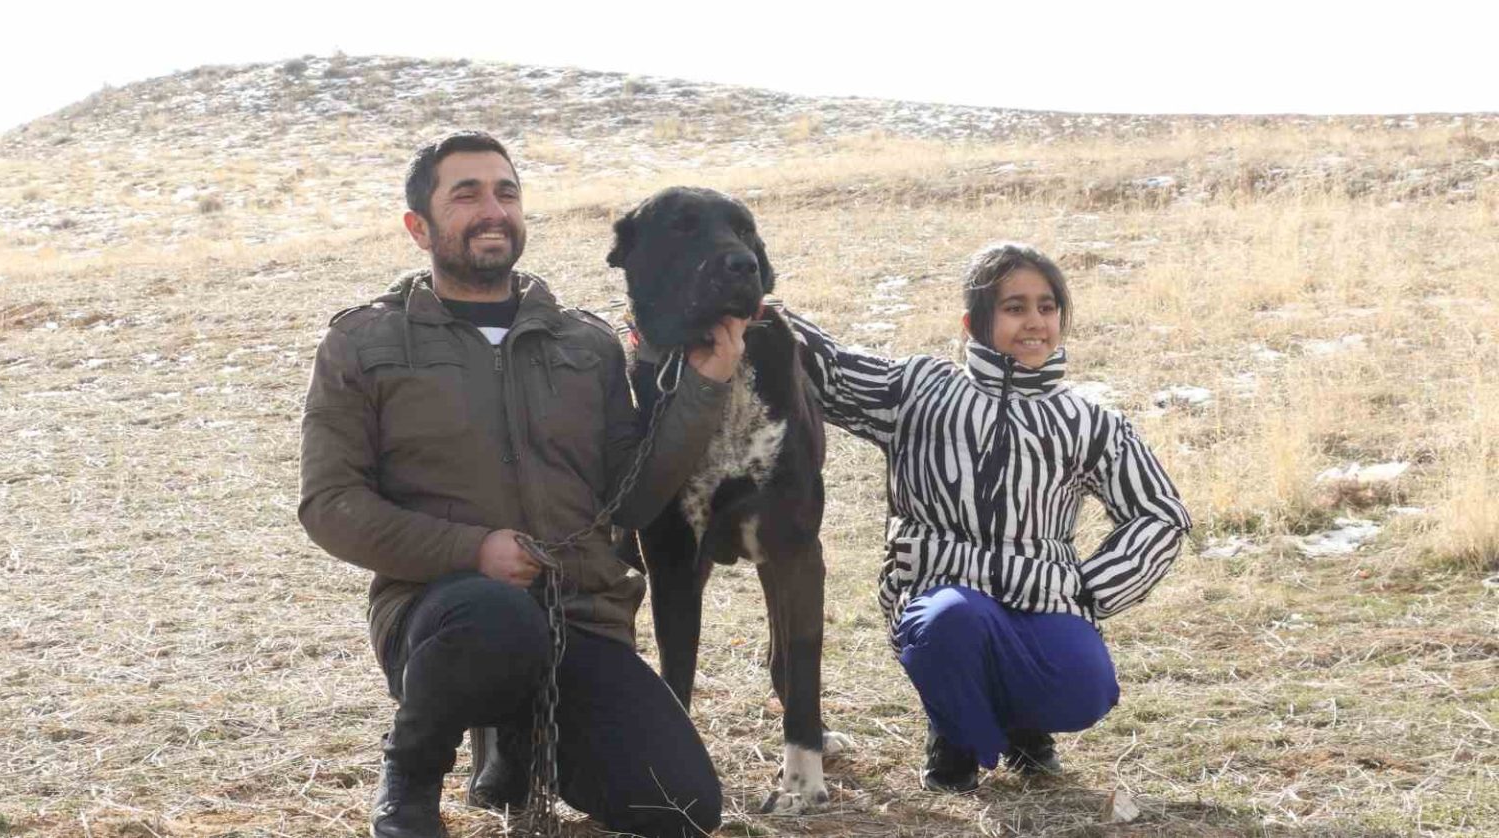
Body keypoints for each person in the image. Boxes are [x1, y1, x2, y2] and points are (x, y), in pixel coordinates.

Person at [298, 131, 742, 838]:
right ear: (419, 227)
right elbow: (330, 505)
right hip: (444, 619)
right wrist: (473, 551)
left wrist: (704, 386)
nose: (493, 210)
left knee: (683, 807)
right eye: (466, 194)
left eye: (506, 193)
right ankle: (409, 784)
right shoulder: (364, 344)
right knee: (496, 616)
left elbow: (631, 497)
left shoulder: (584, 344)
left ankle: (520, 745)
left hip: (579, 621)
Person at [782, 243, 1191, 791]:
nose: (1034, 322)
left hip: (1043, 597)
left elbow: (1159, 513)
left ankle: (1024, 724)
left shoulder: (1089, 422)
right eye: (1014, 307)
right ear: (973, 322)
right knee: (952, 622)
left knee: (1085, 687)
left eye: (1047, 307)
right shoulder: (919, 391)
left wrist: (1091, 586)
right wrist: (760, 307)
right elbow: (833, 371)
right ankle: (955, 736)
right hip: (941, 593)